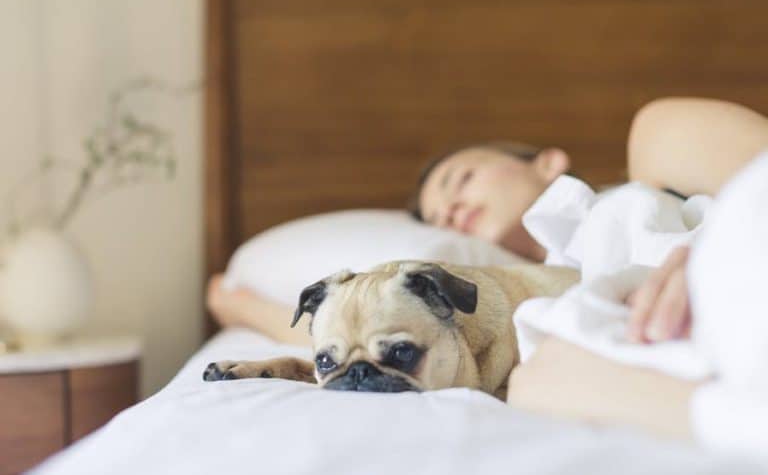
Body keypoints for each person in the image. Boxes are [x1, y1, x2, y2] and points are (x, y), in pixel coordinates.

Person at [207, 98, 768, 444]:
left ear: (546, 161)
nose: (448, 211)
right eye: (437, 219)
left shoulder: (654, 160)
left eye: (461, 180)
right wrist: (239, 306)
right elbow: (356, 334)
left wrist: (708, 252)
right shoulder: (519, 328)